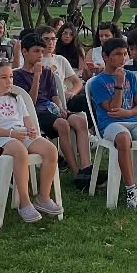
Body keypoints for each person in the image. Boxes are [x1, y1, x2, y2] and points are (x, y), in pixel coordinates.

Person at [0, 59, 63, 223]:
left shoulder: (17, 99)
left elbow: (26, 118)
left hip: (20, 134)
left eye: (11, 77)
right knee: (20, 151)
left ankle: (43, 197)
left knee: (50, 150)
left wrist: (31, 129)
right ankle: (24, 201)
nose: (9, 81)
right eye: (3, 78)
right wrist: (11, 133)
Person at [88, 36, 137, 209]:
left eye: (125, 54)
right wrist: (119, 84)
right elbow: (113, 109)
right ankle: (131, 192)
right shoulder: (98, 82)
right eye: (118, 54)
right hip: (109, 124)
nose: (123, 58)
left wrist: (128, 112)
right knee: (124, 138)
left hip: (133, 120)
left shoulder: (130, 76)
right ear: (105, 56)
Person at [14, 32, 93, 186]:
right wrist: (37, 76)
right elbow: (30, 102)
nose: (40, 55)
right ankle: (76, 172)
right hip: (34, 112)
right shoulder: (18, 75)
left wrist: (61, 108)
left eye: (41, 52)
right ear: (24, 52)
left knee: (80, 121)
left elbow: (54, 95)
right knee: (62, 124)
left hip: (51, 108)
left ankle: (86, 167)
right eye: (36, 51)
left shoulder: (48, 72)